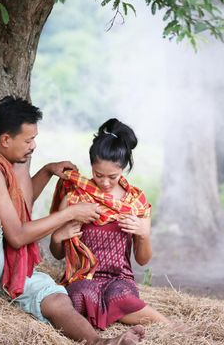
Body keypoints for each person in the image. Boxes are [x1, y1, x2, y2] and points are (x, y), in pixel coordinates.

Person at [0, 97, 145, 344]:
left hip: (11, 270)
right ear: (6, 140)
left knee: (58, 299)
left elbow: (22, 206)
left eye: (35, 138)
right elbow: (18, 236)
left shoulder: (15, 163)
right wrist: (70, 214)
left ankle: (99, 342)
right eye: (28, 140)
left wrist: (48, 171)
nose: (34, 145)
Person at [49, 118, 172, 330]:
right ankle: (116, 316)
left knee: (120, 296)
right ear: (91, 167)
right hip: (83, 276)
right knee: (81, 295)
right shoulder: (76, 197)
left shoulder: (136, 202)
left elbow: (142, 260)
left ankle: (167, 325)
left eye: (112, 177)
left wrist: (143, 233)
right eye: (98, 175)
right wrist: (58, 237)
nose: (105, 183)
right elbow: (58, 253)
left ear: (124, 168)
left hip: (119, 278)